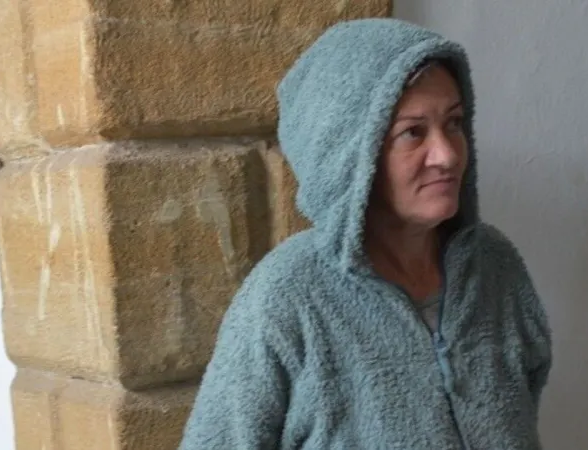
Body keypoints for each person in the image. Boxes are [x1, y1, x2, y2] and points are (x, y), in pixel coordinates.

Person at [178, 18, 552, 449]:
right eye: (413, 132)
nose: (447, 155)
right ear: (349, 155)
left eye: (454, 123)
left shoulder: (496, 267)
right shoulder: (286, 297)